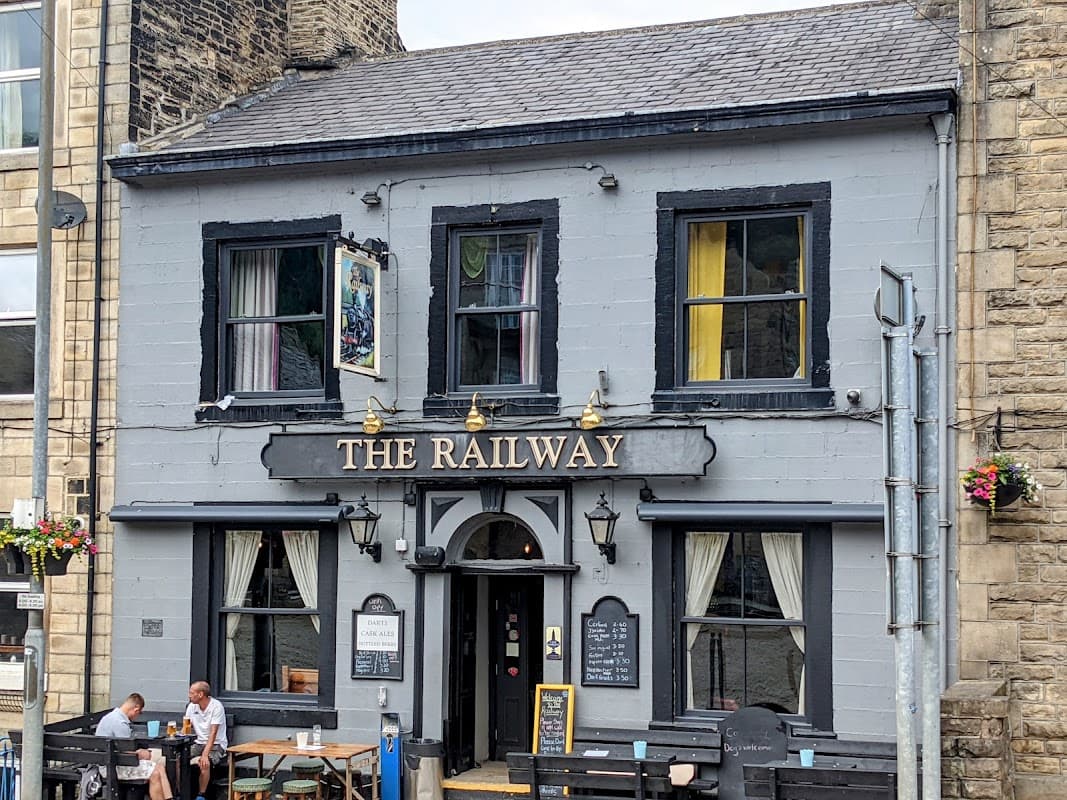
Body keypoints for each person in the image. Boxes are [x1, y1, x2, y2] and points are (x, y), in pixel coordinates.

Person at [95, 692, 174, 800]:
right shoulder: (121, 723)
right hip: (112, 768)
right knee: (155, 772)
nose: (137, 716)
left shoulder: (110, 717)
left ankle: (169, 798)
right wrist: (143, 754)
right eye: (139, 713)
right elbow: (127, 754)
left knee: (159, 768)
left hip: (109, 763)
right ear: (136, 709)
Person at [186, 681, 228, 800]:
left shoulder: (216, 706)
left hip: (216, 744)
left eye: (191, 693)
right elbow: (186, 727)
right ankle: (180, 791)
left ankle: (201, 794)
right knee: (179, 758)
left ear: (200, 694)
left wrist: (205, 755)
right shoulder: (191, 706)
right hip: (199, 743)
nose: (189, 695)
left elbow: (213, 733)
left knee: (205, 762)